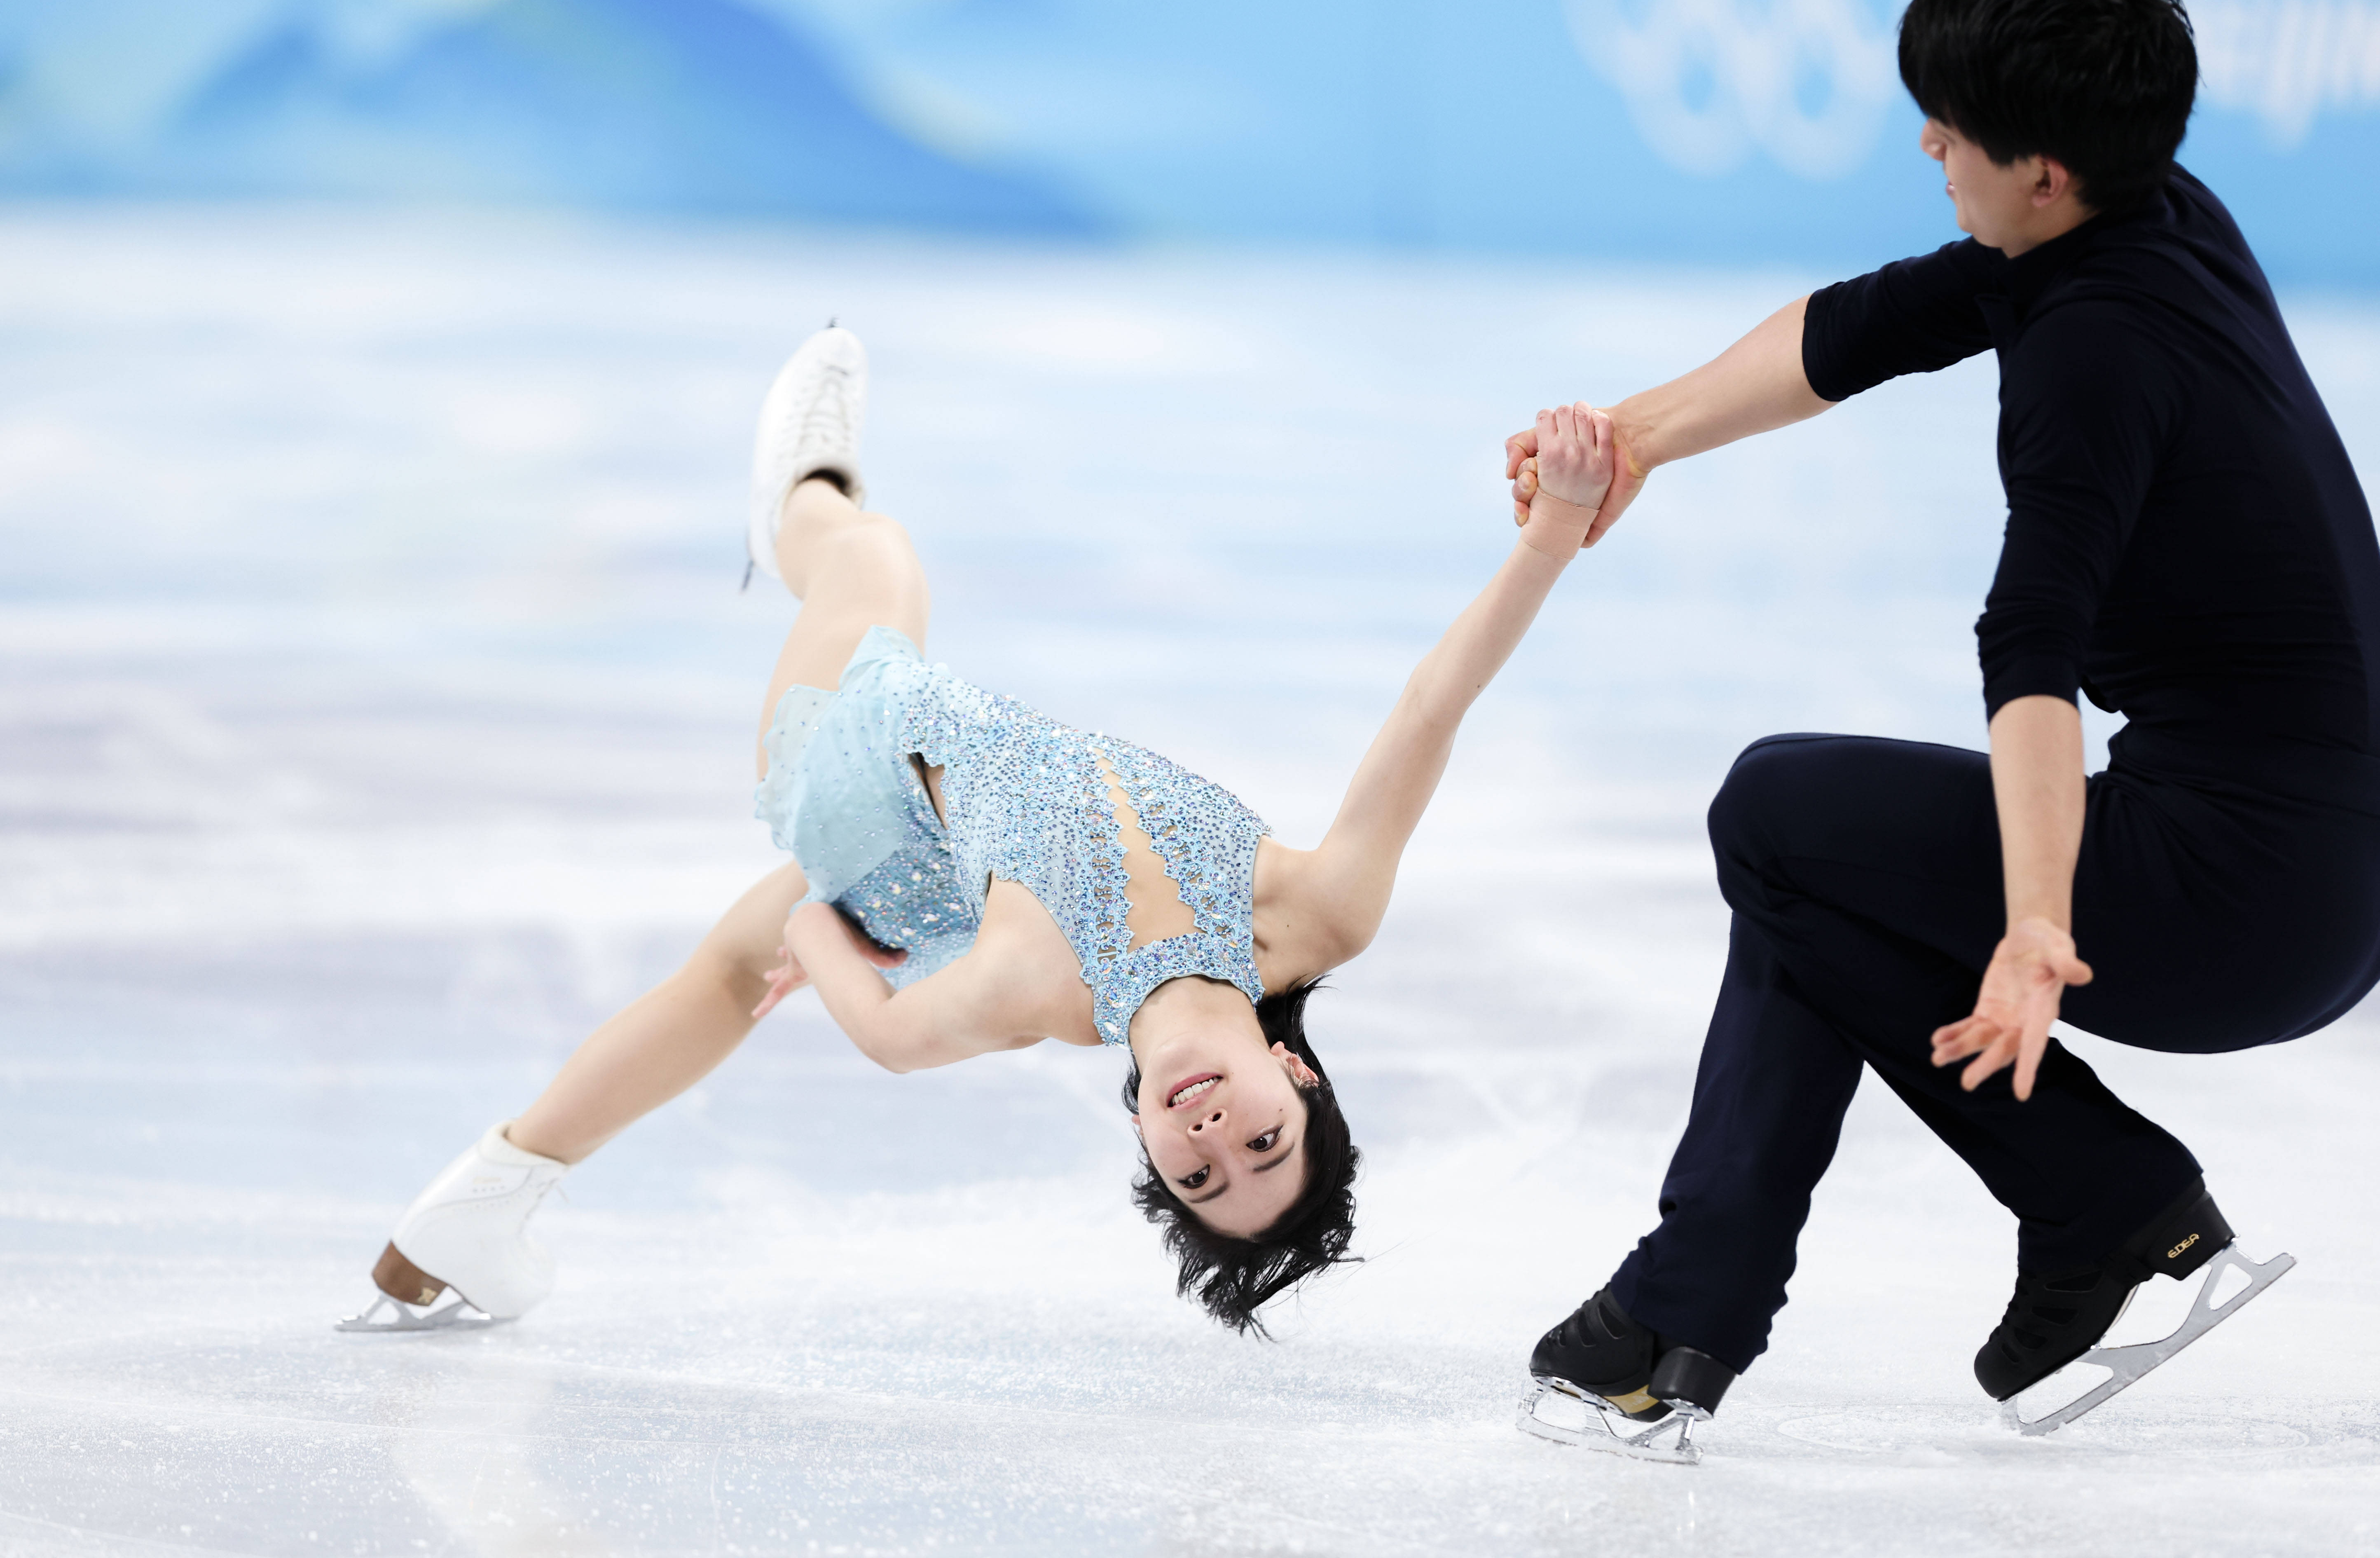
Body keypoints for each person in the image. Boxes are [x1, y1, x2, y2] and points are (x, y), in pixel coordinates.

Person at [1506, 0, 2380, 1455]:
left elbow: (2034, 644)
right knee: (1814, 880)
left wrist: (2038, 929)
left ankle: (2087, 1201)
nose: (1926, 142)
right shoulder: (2154, 218)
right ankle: (1690, 1316)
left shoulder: (2097, 353)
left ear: (2044, 169)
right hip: (2332, 865)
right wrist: (1632, 440)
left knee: (1779, 813)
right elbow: (1854, 331)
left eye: (1950, 126)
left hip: (2249, 896)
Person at [338, 327, 1621, 1338]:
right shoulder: (1314, 912)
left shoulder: (1047, 990)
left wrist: (813, 925)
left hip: (861, 768)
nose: (1207, 1135)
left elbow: (896, 1039)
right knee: (727, 977)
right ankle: (484, 1199)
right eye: (1257, 1147)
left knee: (873, 559)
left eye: (1194, 1177)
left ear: (1147, 1152)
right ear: (1302, 1079)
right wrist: (1556, 529)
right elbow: (1431, 708)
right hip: (916, 856)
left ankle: (801, 492)